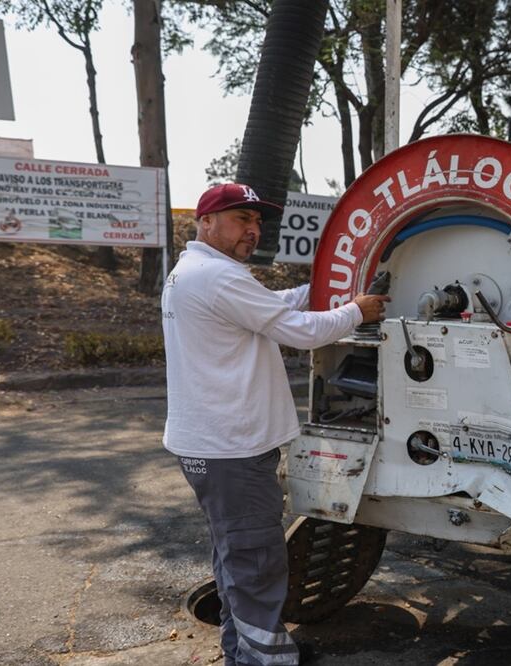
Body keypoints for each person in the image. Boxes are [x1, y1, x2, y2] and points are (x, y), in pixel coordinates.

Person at [162, 183, 388, 665]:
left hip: (213, 446)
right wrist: (357, 311)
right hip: (231, 450)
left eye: (257, 221)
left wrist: (325, 284)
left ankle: (243, 650)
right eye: (241, 218)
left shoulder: (200, 272)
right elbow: (300, 333)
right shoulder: (218, 277)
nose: (253, 229)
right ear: (207, 223)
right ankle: (263, 659)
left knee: (234, 557)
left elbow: (272, 305)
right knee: (255, 562)